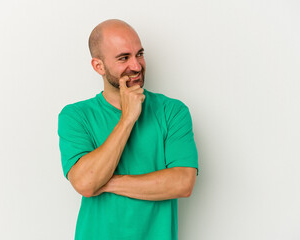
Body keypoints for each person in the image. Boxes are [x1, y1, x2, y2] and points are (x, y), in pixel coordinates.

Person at [58, 19, 199, 240]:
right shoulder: (76, 116)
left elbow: (183, 183)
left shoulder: (172, 111)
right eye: (124, 58)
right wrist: (127, 119)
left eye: (139, 54)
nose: (136, 65)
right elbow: (85, 183)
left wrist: (107, 182)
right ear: (99, 66)